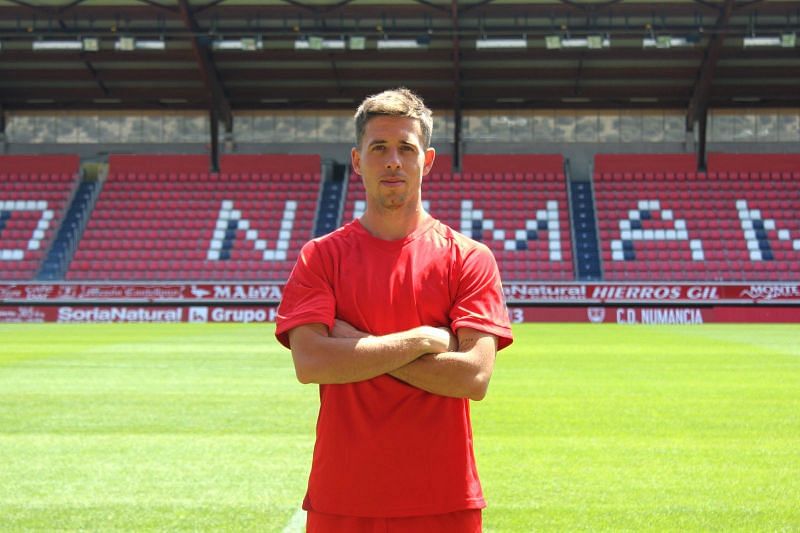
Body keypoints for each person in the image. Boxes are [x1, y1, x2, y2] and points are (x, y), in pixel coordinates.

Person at [275, 87, 513, 533]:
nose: (393, 161)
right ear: (357, 159)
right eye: (379, 148)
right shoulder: (320, 257)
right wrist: (422, 340)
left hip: (445, 500)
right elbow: (310, 363)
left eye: (406, 148)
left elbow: (473, 378)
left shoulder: (469, 257)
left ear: (427, 160)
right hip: (341, 497)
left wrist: (351, 344)